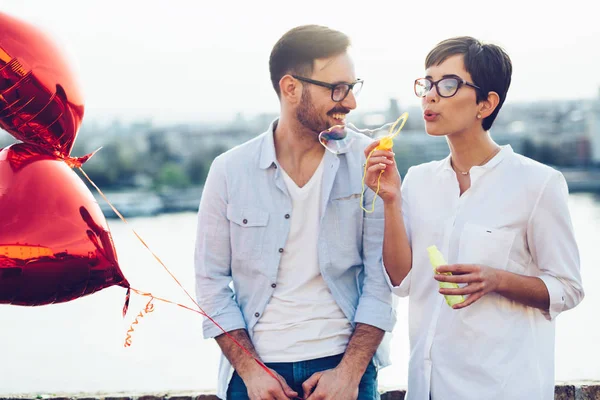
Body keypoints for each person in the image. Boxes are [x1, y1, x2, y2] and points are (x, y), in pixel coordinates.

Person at [363, 36, 584, 400]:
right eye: (427, 83)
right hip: (426, 387)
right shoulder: (418, 180)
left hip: (501, 387)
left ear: (486, 103)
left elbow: (569, 288)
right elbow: (402, 281)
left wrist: (496, 279)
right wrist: (390, 201)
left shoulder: (538, 183)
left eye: (448, 85)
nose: (430, 96)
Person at [194, 24, 396, 400]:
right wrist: (252, 373)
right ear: (290, 88)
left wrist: (350, 374)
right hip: (254, 376)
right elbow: (210, 283)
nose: (350, 102)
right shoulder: (229, 170)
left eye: (353, 87)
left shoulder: (369, 161)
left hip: (345, 370)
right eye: (336, 89)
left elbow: (380, 280)